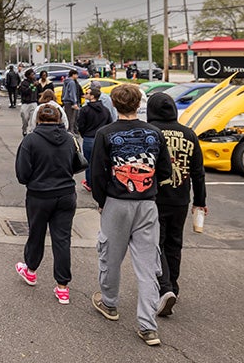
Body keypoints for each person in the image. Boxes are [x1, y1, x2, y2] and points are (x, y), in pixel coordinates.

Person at [89, 83, 172, 347]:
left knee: (110, 256)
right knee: (147, 265)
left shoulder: (106, 133)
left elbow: (97, 173)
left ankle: (110, 303)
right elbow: (166, 170)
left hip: (116, 201)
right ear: (139, 105)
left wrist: (102, 201)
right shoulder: (154, 133)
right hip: (147, 204)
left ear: (113, 104)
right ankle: (148, 326)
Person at [145, 92, 207, 318]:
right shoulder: (189, 134)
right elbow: (198, 172)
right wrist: (200, 201)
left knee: (155, 243)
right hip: (181, 197)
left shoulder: (150, 132)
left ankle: (164, 288)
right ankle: (173, 285)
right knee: (174, 242)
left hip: (154, 196)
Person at [15, 104, 83, 304]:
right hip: (66, 194)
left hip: (39, 194)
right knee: (62, 239)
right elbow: (76, 164)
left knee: (36, 234)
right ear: (60, 119)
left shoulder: (31, 140)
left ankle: (31, 270)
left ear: (37, 120)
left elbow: (22, 174)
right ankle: (63, 287)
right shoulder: (70, 139)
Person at [76, 87, 111, 191]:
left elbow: (80, 125)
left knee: (89, 163)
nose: (85, 94)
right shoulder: (105, 110)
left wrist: (84, 134)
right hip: (102, 139)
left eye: (87, 93)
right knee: (102, 162)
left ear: (92, 96)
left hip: (89, 138)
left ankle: (90, 183)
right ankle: (102, 183)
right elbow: (109, 123)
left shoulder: (85, 110)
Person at [18, 69, 40, 135]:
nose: (34, 76)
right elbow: (25, 92)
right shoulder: (24, 83)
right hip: (26, 103)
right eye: (32, 74)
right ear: (28, 75)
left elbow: (39, 92)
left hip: (34, 102)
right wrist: (32, 85)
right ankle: (24, 129)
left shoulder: (36, 82)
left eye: (34, 74)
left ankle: (32, 131)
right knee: (25, 118)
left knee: (33, 118)